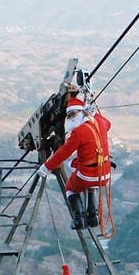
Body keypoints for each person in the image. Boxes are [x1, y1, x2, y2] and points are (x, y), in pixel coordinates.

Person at [35, 95, 112, 229]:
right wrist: (94, 114)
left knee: (71, 187)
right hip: (105, 174)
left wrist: (46, 167)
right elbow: (108, 123)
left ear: (82, 112)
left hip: (88, 176)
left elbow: (62, 153)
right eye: (69, 116)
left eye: (73, 114)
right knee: (88, 179)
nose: (71, 118)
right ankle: (93, 216)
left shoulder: (78, 132)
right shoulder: (100, 123)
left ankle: (78, 218)